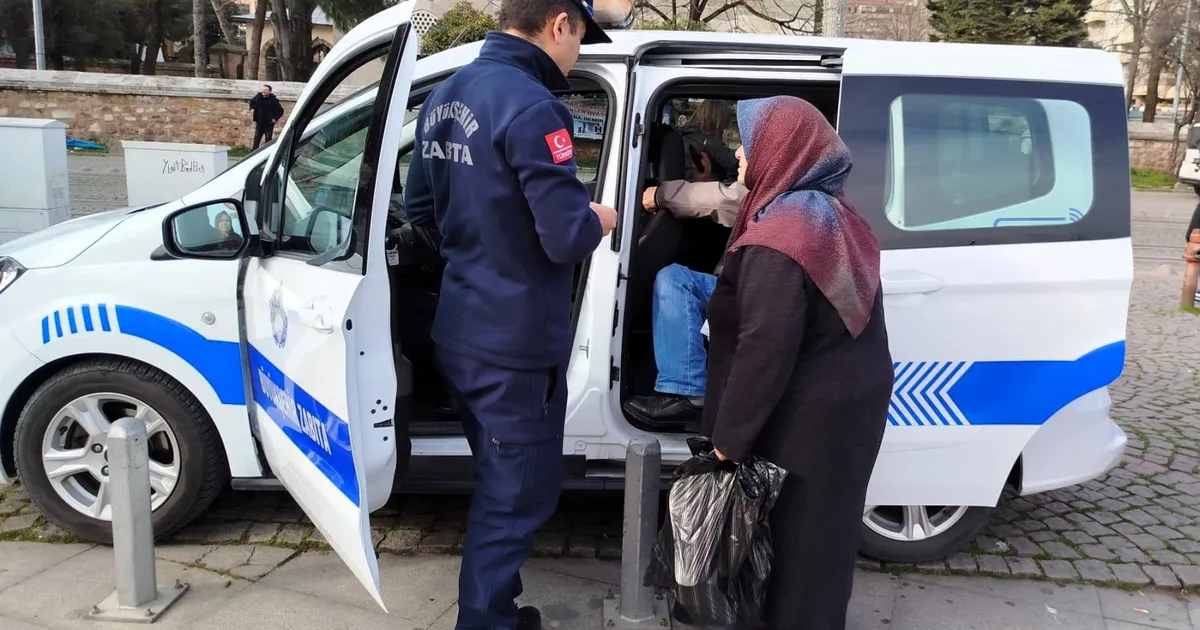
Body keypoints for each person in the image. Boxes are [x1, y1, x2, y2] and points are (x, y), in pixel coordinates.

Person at [402, 1, 617, 628]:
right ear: (558, 23)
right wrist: (599, 218)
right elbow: (565, 238)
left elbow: (419, 207)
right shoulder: (533, 106)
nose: (578, 53)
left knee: (500, 478)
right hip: (515, 342)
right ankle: (486, 619)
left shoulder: (446, 92)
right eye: (580, 37)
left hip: (461, 328)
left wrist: (478, 251)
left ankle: (499, 603)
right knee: (517, 493)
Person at [700, 96, 893, 629]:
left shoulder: (784, 232)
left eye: (749, 140)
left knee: (789, 550)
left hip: (805, 422)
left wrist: (726, 442)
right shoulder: (828, 213)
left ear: (780, 148)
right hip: (843, 413)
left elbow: (767, 344)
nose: (739, 154)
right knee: (822, 542)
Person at [623, 154, 748, 426]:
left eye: (747, 147)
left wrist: (662, 195)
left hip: (750, 294)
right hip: (745, 288)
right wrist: (704, 182)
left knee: (676, 280)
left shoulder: (772, 191)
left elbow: (727, 199)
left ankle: (686, 390)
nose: (738, 152)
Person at [678, 100, 740, 183]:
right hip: (705, 189)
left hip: (682, 188)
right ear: (719, 122)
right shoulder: (711, 142)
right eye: (724, 126)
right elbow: (736, 165)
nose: (724, 131)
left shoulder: (683, 135)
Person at [249, 84, 284, 149]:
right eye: (262, 90)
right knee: (256, 138)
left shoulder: (273, 100)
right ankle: (253, 153)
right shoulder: (258, 97)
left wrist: (275, 118)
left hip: (268, 123)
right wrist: (252, 108)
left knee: (268, 139)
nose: (263, 91)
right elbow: (251, 102)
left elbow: (280, 110)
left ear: (269, 91)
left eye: (265, 90)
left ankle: (266, 153)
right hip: (259, 122)